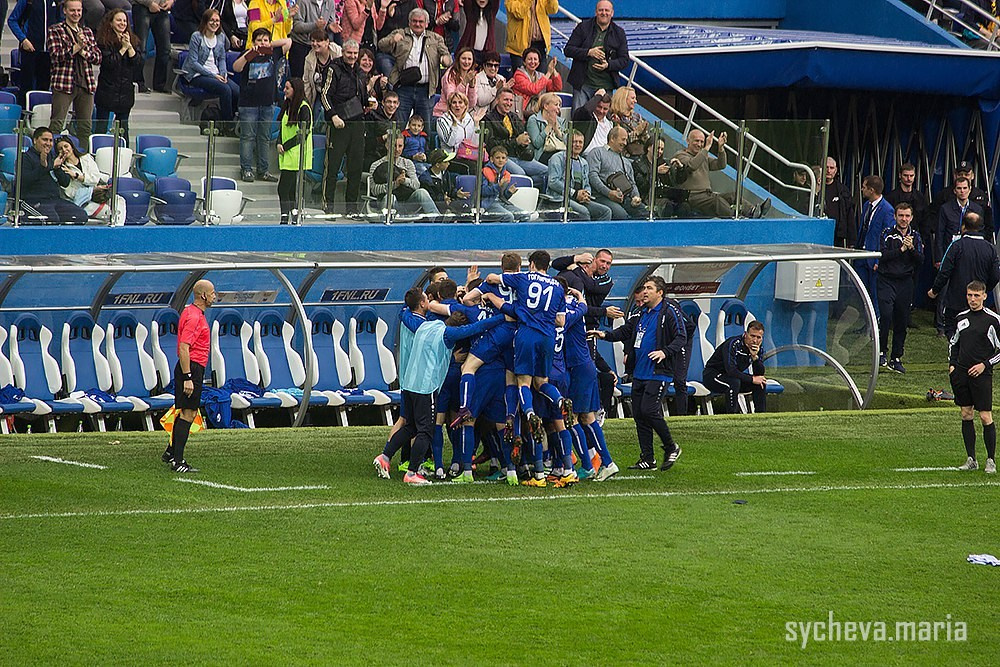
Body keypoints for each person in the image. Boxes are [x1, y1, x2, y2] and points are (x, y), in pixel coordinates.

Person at [372, 287, 502, 485]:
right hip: (426, 387)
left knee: (411, 427)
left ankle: (385, 457)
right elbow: (476, 328)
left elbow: (404, 313)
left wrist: (405, 308)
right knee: (426, 431)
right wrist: (501, 318)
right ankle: (412, 472)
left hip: (409, 383)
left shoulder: (422, 325)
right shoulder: (447, 334)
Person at [590, 276, 685, 470]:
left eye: (650, 288)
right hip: (640, 372)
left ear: (660, 292)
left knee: (649, 410)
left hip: (659, 372)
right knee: (640, 415)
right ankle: (648, 458)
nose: (645, 291)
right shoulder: (641, 312)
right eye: (644, 288)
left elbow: (682, 336)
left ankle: (671, 446)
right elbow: (626, 331)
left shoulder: (669, 310)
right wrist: (605, 335)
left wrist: (664, 352)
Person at [161, 279, 217, 474]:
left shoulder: (190, 312)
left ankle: (170, 452)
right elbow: (184, 348)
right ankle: (178, 461)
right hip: (191, 368)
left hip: (192, 368)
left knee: (186, 411)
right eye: (212, 293)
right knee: (188, 414)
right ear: (203, 295)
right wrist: (188, 376)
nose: (214, 297)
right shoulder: (194, 317)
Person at [948, 280, 1000, 475]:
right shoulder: (961, 317)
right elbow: (954, 343)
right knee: (965, 413)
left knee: (985, 416)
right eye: (970, 295)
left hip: (982, 375)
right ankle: (971, 459)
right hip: (962, 373)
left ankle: (991, 460)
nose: (973, 299)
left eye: (977, 295)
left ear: (984, 296)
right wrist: (952, 365)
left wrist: (984, 365)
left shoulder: (993, 319)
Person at [929, 211, 1000, 338]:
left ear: (963, 227)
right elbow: (995, 275)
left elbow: (944, 272)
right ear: (980, 227)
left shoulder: (956, 246)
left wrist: (935, 290)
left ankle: (956, 357)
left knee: (954, 334)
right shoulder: (990, 249)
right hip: (978, 302)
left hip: (955, 302)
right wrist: (983, 289)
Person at [378, 8, 452, 129]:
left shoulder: (436, 38)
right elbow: (381, 45)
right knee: (398, 127)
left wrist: (445, 60)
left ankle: (423, 148)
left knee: (425, 128)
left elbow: (448, 58)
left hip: (426, 90)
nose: (417, 24)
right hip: (403, 88)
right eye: (414, 21)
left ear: (427, 23)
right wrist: (392, 40)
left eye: (421, 21)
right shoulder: (401, 33)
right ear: (409, 22)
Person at [234, 27, 291, 183]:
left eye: (265, 39)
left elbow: (288, 41)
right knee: (247, 137)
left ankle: (263, 170)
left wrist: (268, 46)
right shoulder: (247, 54)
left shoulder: (273, 52)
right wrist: (249, 53)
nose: (262, 42)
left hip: (267, 103)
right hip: (248, 104)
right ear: (253, 41)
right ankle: (246, 169)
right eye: (259, 40)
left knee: (264, 138)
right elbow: (236, 68)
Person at [320, 38, 367, 215]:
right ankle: (328, 206)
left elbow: (362, 97)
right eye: (349, 53)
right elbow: (324, 96)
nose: (352, 56)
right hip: (338, 123)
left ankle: (351, 208)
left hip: (357, 123)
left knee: (355, 169)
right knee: (332, 167)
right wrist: (333, 116)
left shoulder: (361, 72)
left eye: (355, 54)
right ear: (343, 52)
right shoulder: (333, 68)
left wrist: (370, 102)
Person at [877, 202, 924, 373]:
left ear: (911, 217)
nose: (904, 219)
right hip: (886, 280)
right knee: (886, 315)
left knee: (902, 320)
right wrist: (902, 249)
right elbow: (883, 256)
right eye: (901, 216)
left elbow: (920, 260)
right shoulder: (887, 234)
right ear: (895, 216)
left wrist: (911, 249)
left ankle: (896, 357)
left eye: (907, 216)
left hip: (905, 282)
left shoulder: (916, 236)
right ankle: (881, 352)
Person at [46, 0, 100, 144]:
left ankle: (82, 160)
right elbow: (56, 56)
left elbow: (97, 57)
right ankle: (53, 159)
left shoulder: (87, 31)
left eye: (78, 10)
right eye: (72, 10)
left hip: (86, 83)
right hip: (64, 83)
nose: (76, 14)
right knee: (57, 124)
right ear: (65, 11)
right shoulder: (55, 30)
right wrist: (76, 48)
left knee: (85, 127)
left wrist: (83, 52)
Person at [564, 0, 629, 109]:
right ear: (596, 12)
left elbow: (624, 60)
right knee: (579, 120)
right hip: (582, 85)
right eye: (601, 10)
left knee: (604, 122)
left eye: (607, 10)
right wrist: (588, 52)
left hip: (606, 86)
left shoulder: (619, 33)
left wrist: (608, 65)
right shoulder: (583, 27)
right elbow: (568, 50)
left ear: (612, 13)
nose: (604, 13)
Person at [182, 10, 241, 125]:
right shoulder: (196, 37)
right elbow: (193, 63)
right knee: (225, 90)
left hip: (217, 74)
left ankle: (235, 119)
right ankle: (226, 124)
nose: (215, 23)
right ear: (205, 22)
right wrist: (213, 75)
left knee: (237, 91)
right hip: (197, 74)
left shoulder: (221, 38)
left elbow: (222, 59)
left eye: (217, 21)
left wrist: (223, 73)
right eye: (212, 20)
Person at [19, 127, 88, 224]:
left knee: (80, 216)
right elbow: (25, 181)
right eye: (45, 140)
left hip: (54, 200)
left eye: (50, 140)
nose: (48, 143)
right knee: (51, 219)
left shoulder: (53, 157)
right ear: (35, 140)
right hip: (32, 200)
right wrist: (44, 167)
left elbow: (65, 182)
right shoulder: (25, 158)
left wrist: (57, 168)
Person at [481, 88, 546, 184]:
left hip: (519, 156)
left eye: (511, 100)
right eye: (506, 100)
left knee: (547, 172)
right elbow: (492, 145)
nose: (509, 103)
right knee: (521, 174)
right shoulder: (488, 119)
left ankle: (529, 186)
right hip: (503, 158)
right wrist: (516, 141)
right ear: (497, 100)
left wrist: (524, 142)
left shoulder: (513, 117)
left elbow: (521, 135)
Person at [93, 9, 140, 142]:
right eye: (119, 20)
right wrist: (123, 48)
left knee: (123, 130)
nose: (122, 23)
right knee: (101, 128)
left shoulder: (133, 40)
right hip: (107, 91)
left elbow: (137, 64)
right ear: (111, 23)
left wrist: (130, 47)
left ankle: (123, 154)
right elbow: (109, 63)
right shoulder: (103, 41)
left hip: (125, 93)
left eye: (125, 20)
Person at [703, 319, 768, 415]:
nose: (755, 340)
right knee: (734, 382)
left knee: (760, 382)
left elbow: (759, 373)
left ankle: (761, 416)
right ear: (745, 334)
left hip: (732, 377)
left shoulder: (758, 348)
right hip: (712, 376)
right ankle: (732, 416)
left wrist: (755, 358)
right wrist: (751, 378)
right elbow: (731, 370)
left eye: (758, 337)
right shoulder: (733, 344)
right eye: (752, 336)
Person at [674, 128, 741, 219]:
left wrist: (721, 148)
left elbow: (720, 165)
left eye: (702, 142)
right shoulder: (681, 155)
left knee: (732, 196)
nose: (699, 144)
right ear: (688, 141)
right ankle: (736, 218)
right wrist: (706, 148)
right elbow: (692, 165)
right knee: (716, 201)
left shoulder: (703, 156)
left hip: (707, 195)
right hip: (692, 196)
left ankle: (753, 211)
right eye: (696, 141)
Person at [546, 130, 612, 221]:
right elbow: (553, 182)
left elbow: (587, 184)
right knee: (583, 212)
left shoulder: (584, 162)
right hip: (560, 199)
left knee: (606, 211)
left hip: (579, 199)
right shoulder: (557, 158)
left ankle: (598, 235)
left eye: (580, 142)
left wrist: (586, 194)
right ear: (567, 143)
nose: (578, 145)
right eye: (574, 142)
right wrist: (575, 193)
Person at [585, 126, 649, 220]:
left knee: (647, 214)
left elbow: (632, 183)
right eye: (623, 139)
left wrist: (636, 197)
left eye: (626, 140)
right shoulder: (597, 152)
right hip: (602, 196)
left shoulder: (626, 162)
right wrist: (609, 193)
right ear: (612, 138)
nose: (625, 143)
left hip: (625, 198)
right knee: (621, 215)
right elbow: (592, 176)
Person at [368, 132, 439, 217]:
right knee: (391, 197)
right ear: (387, 146)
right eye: (394, 146)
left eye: (400, 146)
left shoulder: (408, 163)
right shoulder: (376, 165)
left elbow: (416, 185)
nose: (397, 149)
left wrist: (405, 180)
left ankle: (437, 220)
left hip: (407, 202)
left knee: (422, 192)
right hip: (386, 202)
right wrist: (395, 184)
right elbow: (374, 190)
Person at [856, 175, 896, 316]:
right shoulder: (867, 206)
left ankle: (877, 322)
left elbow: (887, 237)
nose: (862, 189)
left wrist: (880, 259)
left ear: (871, 190)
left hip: (874, 260)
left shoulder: (887, 210)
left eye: (864, 187)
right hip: (862, 256)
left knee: (875, 293)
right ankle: (866, 322)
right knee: (862, 292)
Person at [276, 77, 313, 224]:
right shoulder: (288, 105)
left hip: (297, 153)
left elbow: (304, 132)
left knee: (283, 188)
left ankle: (285, 217)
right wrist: (279, 142)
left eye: (287, 88)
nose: (284, 91)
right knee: (289, 189)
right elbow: (282, 127)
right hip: (287, 153)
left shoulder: (304, 107)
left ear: (295, 90)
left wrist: (285, 145)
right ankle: (293, 217)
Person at [9, 0, 62, 99]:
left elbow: (60, 21)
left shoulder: (56, 1)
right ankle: (24, 112)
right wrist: (23, 39)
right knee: (26, 87)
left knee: (44, 88)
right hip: (30, 50)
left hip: (48, 52)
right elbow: (12, 20)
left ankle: (41, 112)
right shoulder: (28, 1)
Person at [633, 135, 690, 218]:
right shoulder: (638, 164)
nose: (659, 151)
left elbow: (679, 181)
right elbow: (642, 187)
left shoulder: (663, 163)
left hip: (666, 196)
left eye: (662, 149)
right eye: (657, 148)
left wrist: (680, 168)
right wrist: (655, 172)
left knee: (685, 206)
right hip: (648, 197)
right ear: (648, 147)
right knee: (667, 206)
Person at [436, 91, 485, 172]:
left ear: (465, 106)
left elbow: (475, 143)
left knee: (484, 164)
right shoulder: (442, 121)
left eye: (460, 102)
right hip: (450, 157)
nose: (457, 105)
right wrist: (454, 125)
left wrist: (476, 124)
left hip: (468, 155)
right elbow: (450, 143)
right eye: (454, 102)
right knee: (472, 167)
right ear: (450, 106)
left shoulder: (469, 119)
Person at [885, 163, 931, 250]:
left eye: (911, 175)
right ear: (900, 176)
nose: (909, 179)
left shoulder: (920, 197)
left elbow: (925, 221)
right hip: (894, 241)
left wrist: (922, 241)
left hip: (915, 241)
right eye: (906, 175)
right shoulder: (891, 197)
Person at [129, 0, 172, 94]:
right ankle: (138, 82)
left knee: (165, 49)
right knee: (141, 48)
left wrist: (171, 1)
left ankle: (160, 84)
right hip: (142, 7)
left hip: (162, 9)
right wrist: (149, 4)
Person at [504, 0, 557, 71]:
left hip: (540, 45)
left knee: (541, 79)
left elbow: (553, 10)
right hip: (520, 47)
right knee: (521, 79)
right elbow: (519, 13)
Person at [510, 46, 562, 116]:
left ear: (539, 63)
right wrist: (549, 73)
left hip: (539, 111)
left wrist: (553, 70)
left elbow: (557, 87)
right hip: (522, 112)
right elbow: (533, 89)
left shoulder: (540, 75)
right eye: (530, 59)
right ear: (524, 62)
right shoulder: (518, 75)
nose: (533, 62)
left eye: (535, 59)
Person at [432, 46, 478, 117]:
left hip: (461, 116)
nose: (466, 62)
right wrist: (464, 83)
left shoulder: (471, 75)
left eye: (469, 59)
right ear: (458, 59)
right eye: (463, 58)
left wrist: (472, 87)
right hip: (443, 115)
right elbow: (452, 98)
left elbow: (471, 104)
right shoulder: (449, 75)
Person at [302, 28, 342, 109]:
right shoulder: (309, 59)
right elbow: (306, 83)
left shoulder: (338, 53)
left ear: (327, 42)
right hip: (319, 94)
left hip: (337, 94)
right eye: (313, 41)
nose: (315, 43)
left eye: (318, 41)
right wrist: (308, 105)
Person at [526, 91, 567, 165]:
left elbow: (566, 142)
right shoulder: (533, 120)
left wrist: (557, 130)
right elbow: (537, 144)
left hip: (560, 151)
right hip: (542, 154)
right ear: (546, 106)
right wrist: (549, 126)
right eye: (556, 105)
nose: (558, 107)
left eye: (559, 105)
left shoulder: (561, 121)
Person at [363, 89, 400, 169]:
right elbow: (367, 142)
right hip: (372, 156)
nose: (392, 105)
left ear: (398, 104)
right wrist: (384, 138)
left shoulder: (398, 119)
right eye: (389, 102)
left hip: (391, 157)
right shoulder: (371, 115)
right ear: (383, 103)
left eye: (395, 102)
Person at [824, 156, 856, 248]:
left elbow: (849, 214)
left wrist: (852, 240)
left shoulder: (842, 190)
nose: (828, 171)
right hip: (819, 233)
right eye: (826, 167)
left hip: (837, 236)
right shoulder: (815, 188)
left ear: (836, 170)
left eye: (831, 168)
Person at [568, 88, 611, 155]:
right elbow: (586, 110)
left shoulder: (610, 122)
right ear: (594, 104)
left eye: (605, 109)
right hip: (588, 155)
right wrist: (598, 96)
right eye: (599, 107)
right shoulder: (586, 118)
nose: (601, 111)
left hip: (606, 156)